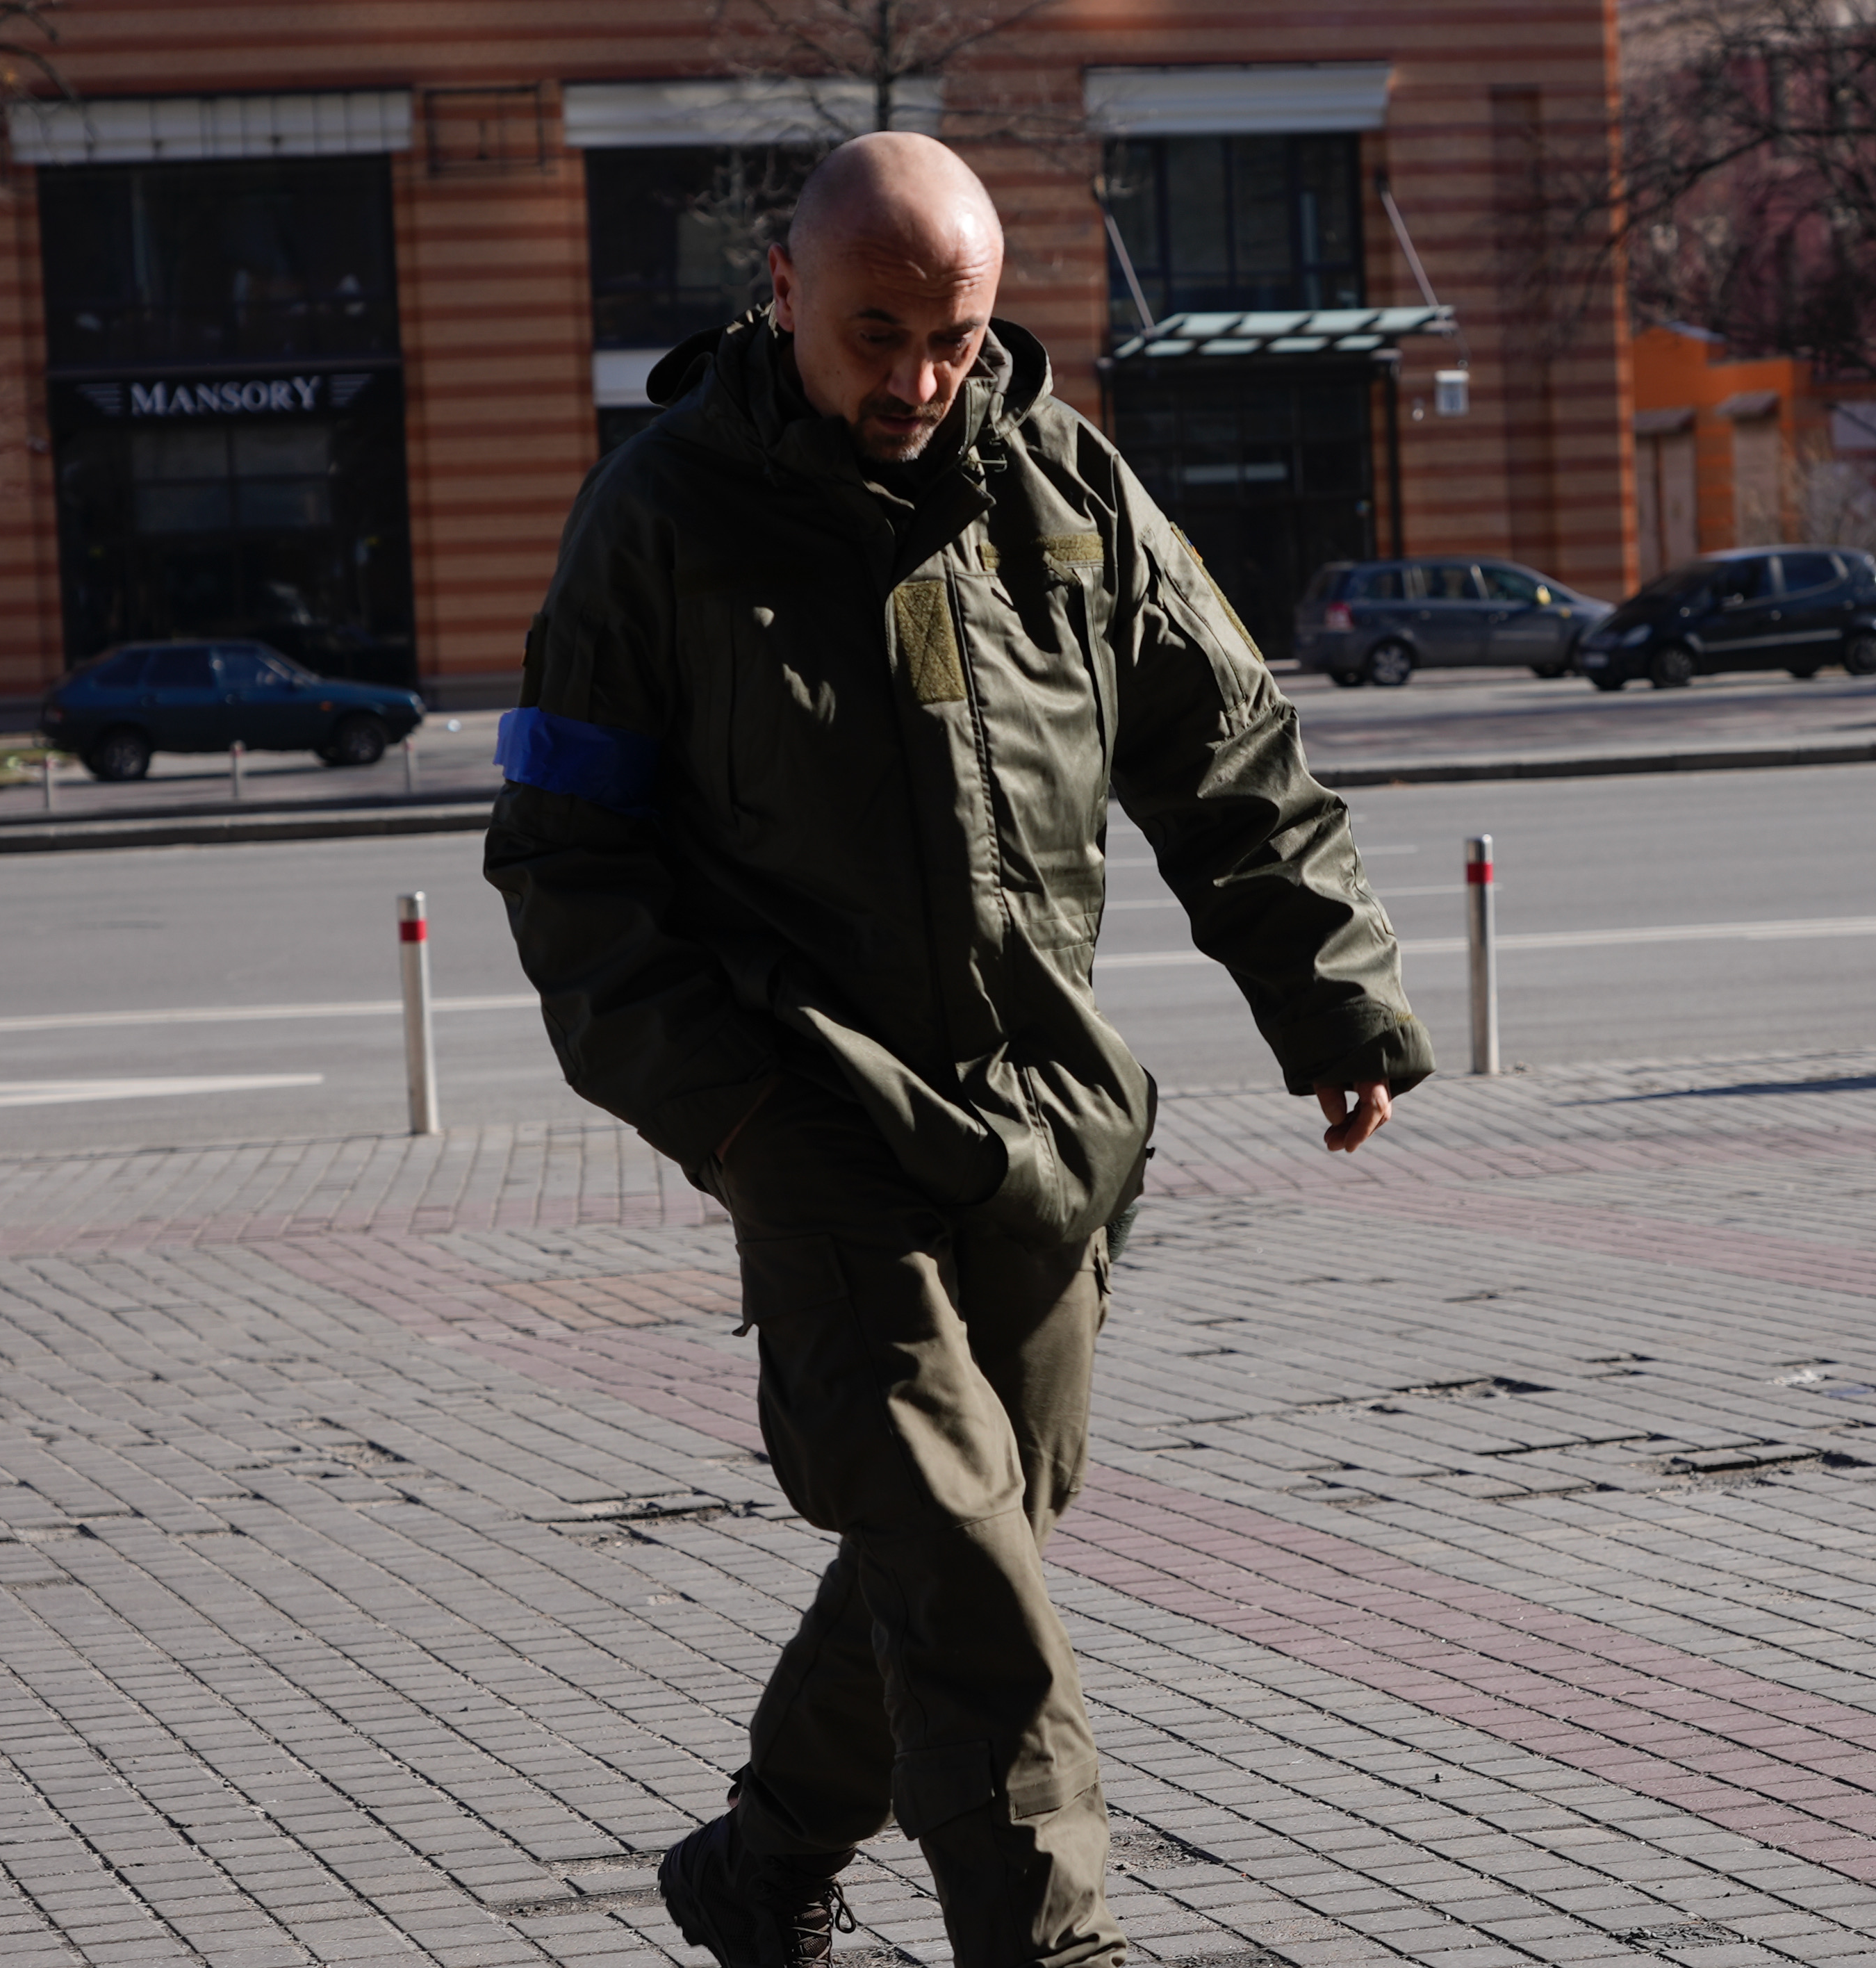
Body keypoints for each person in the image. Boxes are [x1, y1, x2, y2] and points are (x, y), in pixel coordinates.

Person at [482, 133, 1432, 1968]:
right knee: (969, 1578)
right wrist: (736, 1109)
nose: (918, 377)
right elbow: (565, 862)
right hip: (815, 1118)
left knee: (986, 1525)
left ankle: (757, 1868)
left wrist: (1329, 999)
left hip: (1049, 1126)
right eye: (875, 332)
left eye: (955, 334)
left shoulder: (1066, 489)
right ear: (781, 293)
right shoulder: (663, 519)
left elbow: (1230, 753)